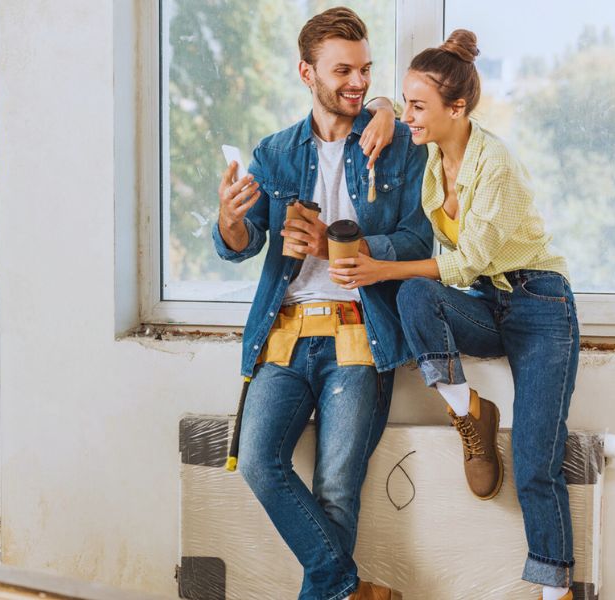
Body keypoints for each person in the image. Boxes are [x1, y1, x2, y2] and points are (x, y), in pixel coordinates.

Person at [330, 30, 579, 600]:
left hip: (541, 306)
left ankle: (554, 590)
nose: (412, 117)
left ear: (457, 108)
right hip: (491, 303)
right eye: (410, 105)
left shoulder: (496, 167)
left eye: (421, 107)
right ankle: (470, 411)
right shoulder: (431, 157)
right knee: (416, 297)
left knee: (536, 461)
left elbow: (464, 263)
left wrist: (381, 270)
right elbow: (364, 102)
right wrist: (390, 107)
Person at [214, 7, 431, 599]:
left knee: (337, 487)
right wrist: (231, 220)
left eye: (365, 70)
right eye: (343, 71)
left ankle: (338, 589)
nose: (357, 83)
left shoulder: (397, 148)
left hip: (360, 332)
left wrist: (354, 245)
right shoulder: (275, 152)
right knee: (259, 462)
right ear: (307, 73)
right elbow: (241, 244)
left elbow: (419, 238)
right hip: (284, 335)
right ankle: (351, 588)